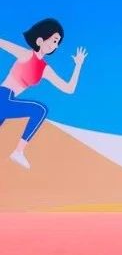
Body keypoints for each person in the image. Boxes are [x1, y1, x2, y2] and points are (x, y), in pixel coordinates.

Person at [2, 18, 87, 169]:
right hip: (3, 96)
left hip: (8, 102)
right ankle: (18, 151)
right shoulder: (26, 55)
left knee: (39, 110)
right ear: (40, 39)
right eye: (54, 40)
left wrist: (78, 65)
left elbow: (68, 89)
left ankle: (18, 152)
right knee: (40, 110)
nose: (55, 45)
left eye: (57, 43)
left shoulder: (44, 69)